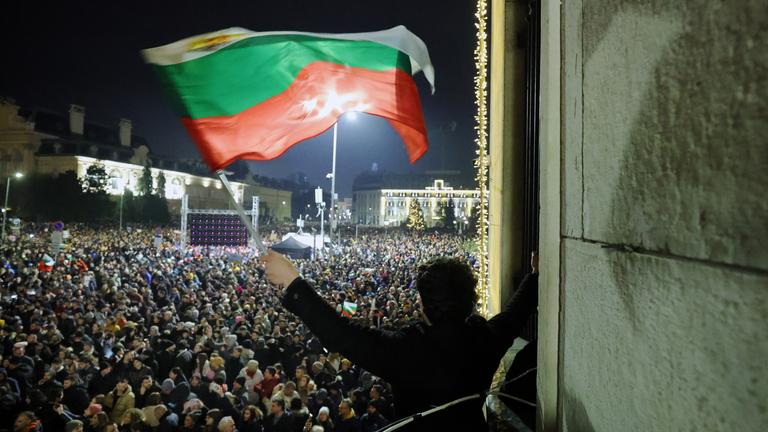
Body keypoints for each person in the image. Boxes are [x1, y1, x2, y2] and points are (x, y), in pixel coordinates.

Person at [261, 252, 538, 431]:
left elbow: (342, 334)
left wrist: (293, 281)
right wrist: (535, 277)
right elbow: (515, 314)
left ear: (423, 303)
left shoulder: (407, 351)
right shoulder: (485, 338)